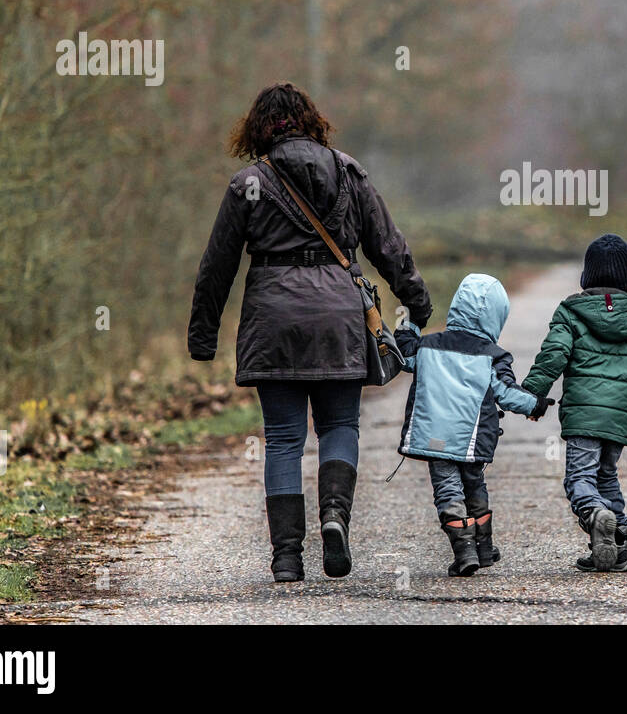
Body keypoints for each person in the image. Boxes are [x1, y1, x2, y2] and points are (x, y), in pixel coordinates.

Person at [188, 83, 432, 583]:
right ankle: (334, 517)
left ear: (257, 128)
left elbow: (218, 266)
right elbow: (388, 244)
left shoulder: (248, 183)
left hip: (273, 319)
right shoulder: (347, 170)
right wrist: (417, 301)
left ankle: (286, 557)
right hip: (339, 317)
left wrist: (203, 334)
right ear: (312, 121)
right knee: (340, 426)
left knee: (282, 439)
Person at [522, 234, 627, 572]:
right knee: (606, 476)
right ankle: (619, 547)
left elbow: (552, 356)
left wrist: (532, 395)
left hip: (583, 418)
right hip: (619, 421)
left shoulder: (570, 313)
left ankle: (595, 514)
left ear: (586, 276)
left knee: (580, 479)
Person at [393, 273, 547, 577]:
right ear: (496, 318)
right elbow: (505, 393)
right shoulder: (493, 355)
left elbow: (403, 354)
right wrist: (535, 404)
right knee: (475, 483)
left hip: (436, 439)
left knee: (448, 488)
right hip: (473, 441)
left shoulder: (428, 346)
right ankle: (484, 546)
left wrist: (408, 323)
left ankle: (464, 550)